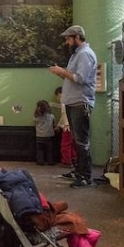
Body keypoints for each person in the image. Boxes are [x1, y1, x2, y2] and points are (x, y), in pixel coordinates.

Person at [49, 24, 98, 188]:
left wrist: (62, 71)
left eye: (69, 39)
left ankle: (85, 176)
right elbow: (72, 77)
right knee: (76, 141)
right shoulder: (77, 54)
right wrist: (61, 73)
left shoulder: (85, 54)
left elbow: (81, 78)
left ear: (77, 37)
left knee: (81, 141)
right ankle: (78, 171)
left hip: (80, 102)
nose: (67, 42)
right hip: (72, 102)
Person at [33, 100, 56, 165]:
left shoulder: (36, 117)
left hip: (39, 136)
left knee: (40, 150)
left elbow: (34, 124)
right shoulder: (51, 116)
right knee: (49, 150)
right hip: (49, 136)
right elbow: (53, 123)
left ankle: (40, 161)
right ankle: (50, 161)